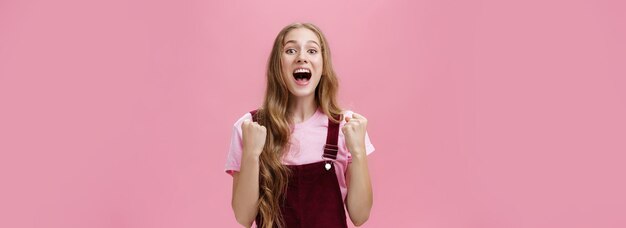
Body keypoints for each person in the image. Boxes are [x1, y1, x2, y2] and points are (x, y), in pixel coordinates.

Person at [224, 22, 375, 228]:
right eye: (291, 50)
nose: (301, 57)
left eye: (312, 50)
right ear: (278, 65)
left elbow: (360, 216)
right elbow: (243, 217)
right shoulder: (249, 127)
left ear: (323, 67)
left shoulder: (347, 127)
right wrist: (251, 154)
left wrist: (357, 152)